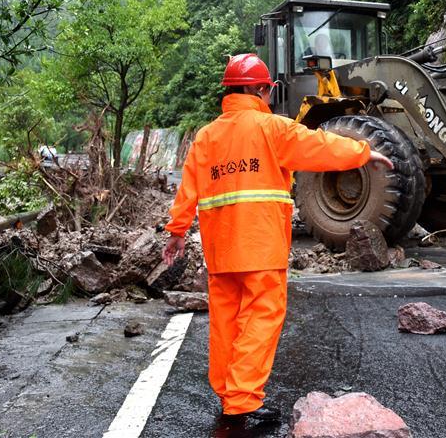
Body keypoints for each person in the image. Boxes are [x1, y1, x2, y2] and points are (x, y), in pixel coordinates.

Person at [162, 53, 393, 423]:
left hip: (220, 248)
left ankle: (228, 390)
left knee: (226, 320)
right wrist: (364, 153)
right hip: (260, 244)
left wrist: (176, 232)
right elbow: (321, 146)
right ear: (258, 89)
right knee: (261, 316)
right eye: (268, 90)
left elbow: (188, 189)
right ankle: (242, 399)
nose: (270, 95)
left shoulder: (206, 137)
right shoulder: (273, 129)